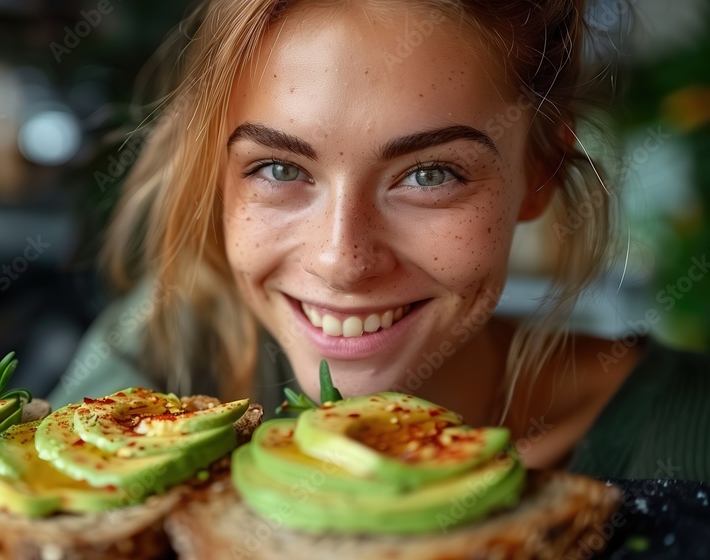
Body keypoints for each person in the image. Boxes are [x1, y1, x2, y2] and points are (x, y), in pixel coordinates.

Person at [50, 0, 709, 481]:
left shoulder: (691, 440)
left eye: (429, 175)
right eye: (280, 169)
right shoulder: (155, 366)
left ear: (539, 173)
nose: (342, 260)